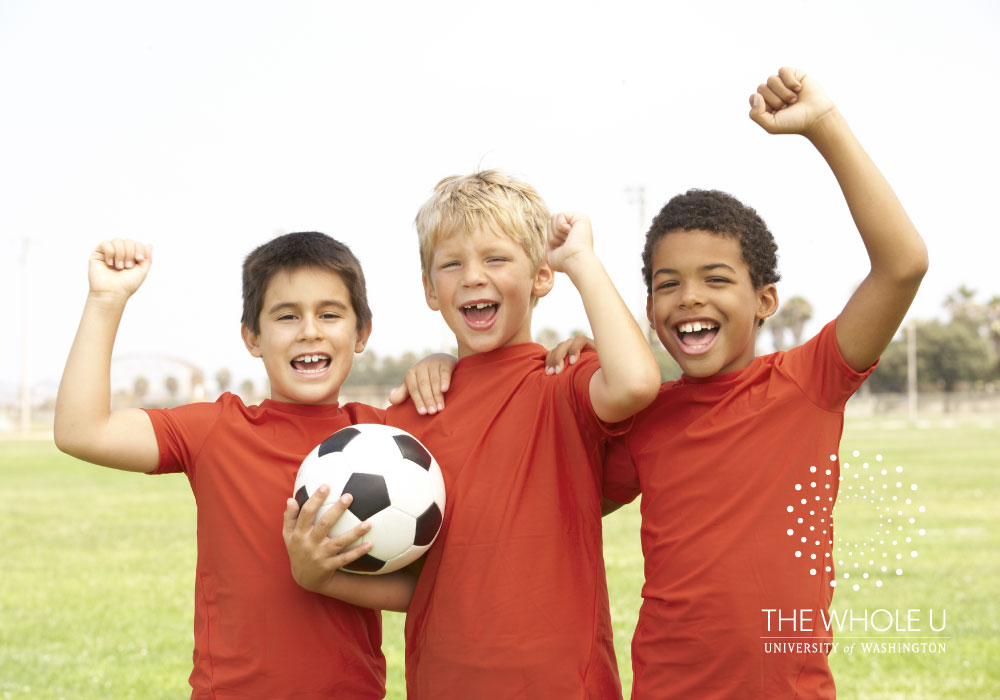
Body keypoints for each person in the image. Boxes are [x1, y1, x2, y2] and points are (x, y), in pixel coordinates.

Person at [581, 67, 927, 699]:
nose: (689, 298)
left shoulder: (809, 383)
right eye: (667, 283)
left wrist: (823, 126)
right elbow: (557, 500)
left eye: (716, 279)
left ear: (765, 299)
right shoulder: (644, 415)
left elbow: (903, 265)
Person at [284, 170, 662, 699]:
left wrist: (581, 261)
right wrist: (319, 577)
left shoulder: (563, 384)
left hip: (564, 686)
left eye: (496, 259)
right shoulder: (406, 427)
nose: (473, 277)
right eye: (452, 263)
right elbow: (426, 585)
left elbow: (639, 383)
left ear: (541, 277)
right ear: (429, 289)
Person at [54, 231, 450, 700]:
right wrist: (106, 299)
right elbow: (81, 431)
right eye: (286, 316)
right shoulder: (216, 430)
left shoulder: (396, 445)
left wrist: (444, 362)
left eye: (329, 314)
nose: (309, 330)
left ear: (361, 332)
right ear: (253, 337)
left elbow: (420, 591)